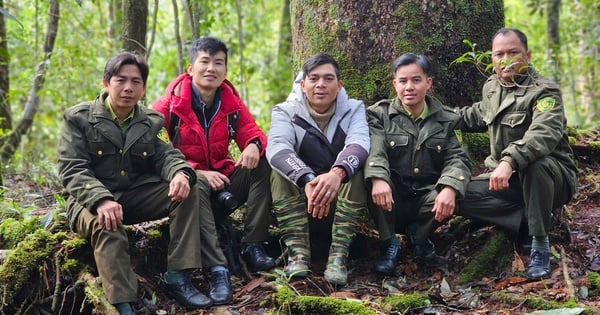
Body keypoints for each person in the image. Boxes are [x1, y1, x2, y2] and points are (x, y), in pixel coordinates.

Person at [57, 52, 212, 314]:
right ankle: (123, 303)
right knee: (107, 224)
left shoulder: (151, 122)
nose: (128, 88)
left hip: (132, 196)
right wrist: (101, 199)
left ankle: (178, 275)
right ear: (105, 83)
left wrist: (180, 174)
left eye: (136, 82)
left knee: (192, 188)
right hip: (88, 202)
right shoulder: (78, 119)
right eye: (120, 80)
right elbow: (72, 168)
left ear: (143, 88)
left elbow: (167, 155)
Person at [152, 36, 274, 302]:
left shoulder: (230, 102)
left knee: (264, 162)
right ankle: (218, 269)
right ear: (190, 68)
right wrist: (194, 171)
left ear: (225, 70)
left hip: (223, 181)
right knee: (194, 182)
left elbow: (252, 131)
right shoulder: (168, 106)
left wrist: (253, 145)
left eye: (218, 63)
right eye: (204, 62)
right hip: (186, 187)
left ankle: (254, 243)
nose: (211, 69)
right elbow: (154, 151)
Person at [455, 28, 578, 280]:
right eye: (499, 54)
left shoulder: (545, 92)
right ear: (491, 58)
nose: (505, 59)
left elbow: (542, 134)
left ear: (528, 55)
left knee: (536, 164)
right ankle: (528, 218)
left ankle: (540, 243)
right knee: (455, 195)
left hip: (552, 179)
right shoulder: (492, 86)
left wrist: (509, 161)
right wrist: (437, 116)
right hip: (507, 182)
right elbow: (476, 115)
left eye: (513, 52)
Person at [266, 53, 370, 286]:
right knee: (278, 171)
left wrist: (337, 174)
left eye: (328, 78)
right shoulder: (285, 111)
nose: (320, 84)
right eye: (313, 79)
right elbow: (278, 148)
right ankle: (298, 254)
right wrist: (308, 180)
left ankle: (339, 257)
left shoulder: (354, 109)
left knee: (359, 169)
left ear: (339, 84)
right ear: (303, 85)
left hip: (340, 204)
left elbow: (360, 143)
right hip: (302, 203)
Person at [364, 53, 471, 274]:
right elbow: (376, 150)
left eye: (416, 80)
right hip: (392, 196)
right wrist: (378, 178)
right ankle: (389, 243)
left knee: (459, 190)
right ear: (395, 84)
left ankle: (420, 237)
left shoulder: (447, 119)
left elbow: (457, 158)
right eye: (402, 81)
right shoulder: (379, 114)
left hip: (427, 196)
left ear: (428, 83)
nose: (409, 87)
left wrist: (450, 187)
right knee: (369, 180)